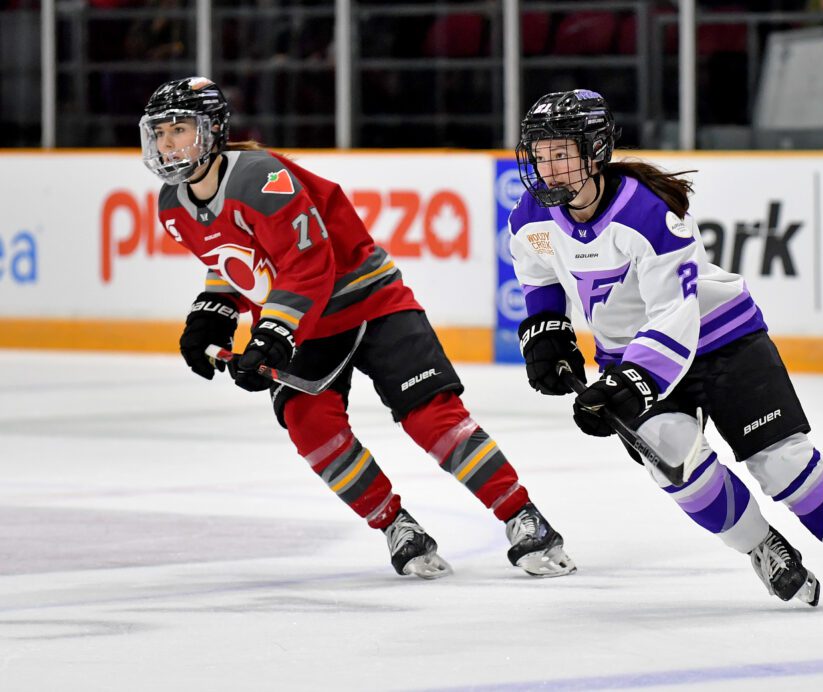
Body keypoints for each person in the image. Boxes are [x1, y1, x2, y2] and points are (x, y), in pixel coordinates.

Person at [138, 76, 575, 580]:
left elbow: (308, 263)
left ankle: (523, 516)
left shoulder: (260, 176)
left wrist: (270, 336)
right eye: (162, 133)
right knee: (311, 427)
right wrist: (211, 311)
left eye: (181, 129)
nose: (169, 144)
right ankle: (397, 527)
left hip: (369, 302)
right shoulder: (173, 207)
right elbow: (238, 261)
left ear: (213, 130)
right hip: (307, 324)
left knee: (431, 417)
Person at [509, 89, 823, 606]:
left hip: (721, 338)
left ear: (594, 151)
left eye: (561, 152)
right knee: (674, 463)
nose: (547, 167)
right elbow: (537, 270)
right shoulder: (531, 216)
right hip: (632, 360)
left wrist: (628, 382)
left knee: (782, 462)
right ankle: (761, 546)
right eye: (540, 153)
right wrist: (547, 331)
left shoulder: (647, 213)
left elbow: (674, 317)